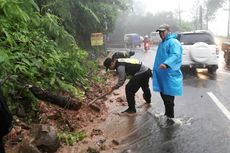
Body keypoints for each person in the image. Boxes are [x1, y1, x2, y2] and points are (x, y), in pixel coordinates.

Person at [152, 24, 183, 119]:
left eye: (163, 31)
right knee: (164, 97)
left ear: (169, 31)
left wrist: (166, 64)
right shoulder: (162, 43)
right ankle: (167, 115)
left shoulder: (173, 42)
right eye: (160, 32)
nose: (161, 34)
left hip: (169, 75)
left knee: (168, 98)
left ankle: (171, 119)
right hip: (162, 75)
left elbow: (175, 55)